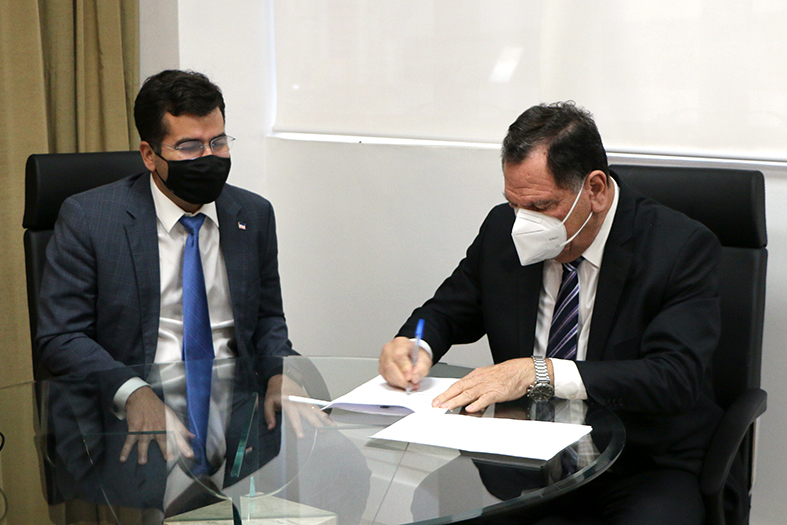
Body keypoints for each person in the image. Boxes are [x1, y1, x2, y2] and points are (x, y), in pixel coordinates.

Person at [379, 102, 723, 524]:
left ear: (595, 189)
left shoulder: (679, 248)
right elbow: (448, 309)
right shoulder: (502, 233)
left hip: (641, 463)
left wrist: (538, 372)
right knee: (441, 510)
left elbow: (675, 377)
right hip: (524, 450)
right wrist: (415, 341)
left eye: (542, 207)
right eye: (514, 204)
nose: (524, 223)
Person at [36, 70, 330, 512]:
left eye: (218, 142)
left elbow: (268, 319)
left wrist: (278, 372)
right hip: (131, 417)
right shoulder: (90, 219)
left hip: (236, 411)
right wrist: (132, 390)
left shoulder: (252, 214)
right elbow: (60, 337)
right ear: (150, 155)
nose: (208, 156)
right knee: (179, 509)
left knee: (339, 470)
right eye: (190, 146)